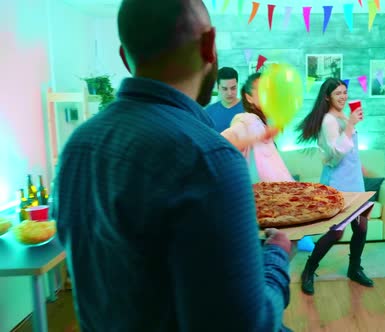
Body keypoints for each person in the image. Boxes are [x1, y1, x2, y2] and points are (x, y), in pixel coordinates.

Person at [51, 1, 292, 331]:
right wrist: (277, 256)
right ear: (209, 47)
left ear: (125, 57)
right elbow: (247, 323)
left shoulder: (77, 146)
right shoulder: (210, 158)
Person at [296, 78, 374, 295]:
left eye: (345, 92)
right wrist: (350, 126)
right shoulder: (329, 120)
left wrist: (362, 168)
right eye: (338, 93)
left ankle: (354, 268)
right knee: (336, 233)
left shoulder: (342, 116)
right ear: (327, 97)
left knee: (361, 227)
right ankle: (309, 270)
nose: (343, 96)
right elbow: (334, 156)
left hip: (354, 183)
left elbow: (350, 153)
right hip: (338, 184)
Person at [221, 72, 293, 183]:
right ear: (249, 98)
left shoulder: (262, 123)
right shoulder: (249, 119)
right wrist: (261, 136)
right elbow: (222, 143)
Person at [205, 66, 244, 132]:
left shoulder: (249, 109)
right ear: (218, 87)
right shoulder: (208, 113)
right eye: (225, 89)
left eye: (233, 88)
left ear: (237, 86)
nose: (229, 93)